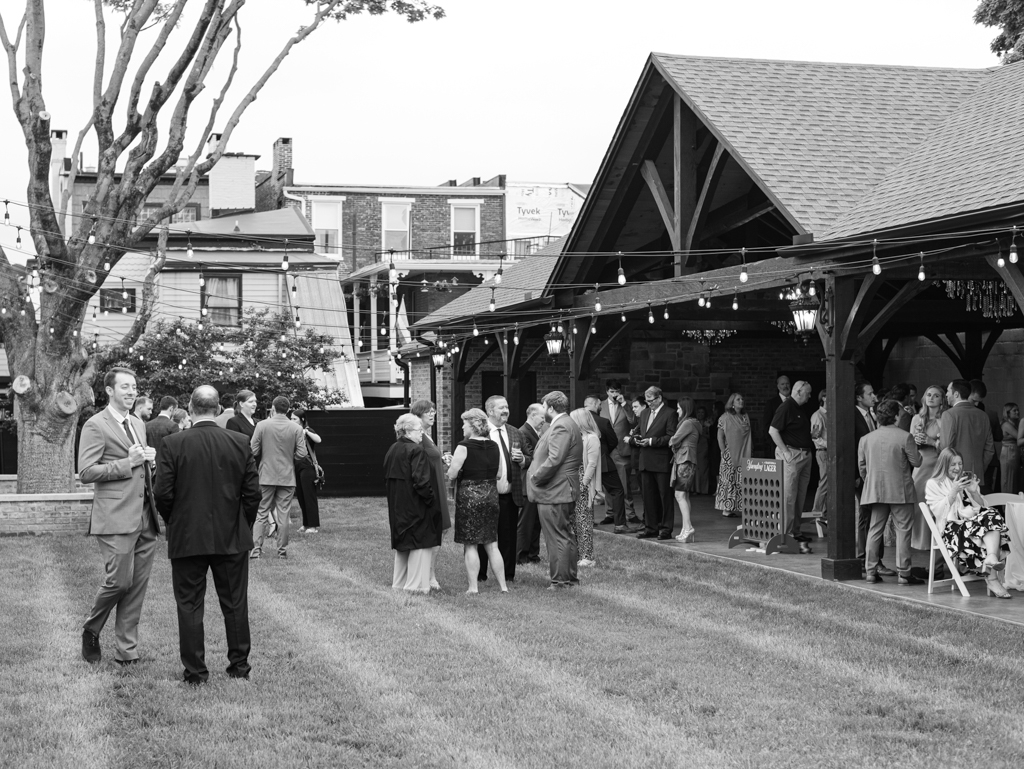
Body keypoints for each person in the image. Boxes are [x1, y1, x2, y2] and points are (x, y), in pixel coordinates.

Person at [155, 385, 261, 684]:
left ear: (190, 407)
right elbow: (252, 493)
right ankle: (239, 667)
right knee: (235, 603)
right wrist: (242, 524)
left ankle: (196, 672)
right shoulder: (239, 441)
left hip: (188, 535)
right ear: (217, 409)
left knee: (189, 604)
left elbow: (162, 492)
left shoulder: (173, 444)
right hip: (230, 535)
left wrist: (174, 520)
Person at [77, 367, 159, 666]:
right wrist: (128, 463)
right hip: (114, 516)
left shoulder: (138, 422)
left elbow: (142, 469)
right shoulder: (95, 425)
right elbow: (86, 472)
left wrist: (150, 463)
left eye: (134, 386)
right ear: (109, 390)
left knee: (137, 586)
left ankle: (127, 651)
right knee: (119, 582)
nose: (131, 391)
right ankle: (92, 628)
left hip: (145, 517)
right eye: (125, 386)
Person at [925, 448, 1011, 598]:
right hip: (951, 531)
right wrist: (953, 491)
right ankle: (992, 578)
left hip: (972, 526)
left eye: (960, 463)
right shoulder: (933, 484)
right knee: (992, 522)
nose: (957, 468)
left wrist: (973, 492)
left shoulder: (965, 482)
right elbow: (939, 512)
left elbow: (983, 509)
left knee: (992, 515)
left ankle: (991, 557)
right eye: (953, 464)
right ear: (944, 465)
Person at [858, 400, 922, 585]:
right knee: (903, 531)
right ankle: (904, 573)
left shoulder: (866, 439)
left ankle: (870, 571)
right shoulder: (905, 437)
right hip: (900, 490)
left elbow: (862, 468)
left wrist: (871, 482)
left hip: (876, 490)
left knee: (874, 529)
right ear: (895, 416)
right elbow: (916, 462)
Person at [447, 408, 507, 594]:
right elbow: (498, 474)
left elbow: (452, 474)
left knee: (471, 543)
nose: (462, 426)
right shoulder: (494, 446)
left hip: (469, 498)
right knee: (492, 543)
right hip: (491, 496)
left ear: (472, 426)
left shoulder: (463, 446)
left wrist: (450, 464)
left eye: (464, 423)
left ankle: (473, 587)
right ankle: (503, 587)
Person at [527, 391, 584, 589]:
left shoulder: (561, 425)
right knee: (564, 535)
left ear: (551, 408)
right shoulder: (565, 423)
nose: (542, 411)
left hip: (555, 491)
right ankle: (569, 579)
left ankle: (560, 581)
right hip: (559, 490)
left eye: (543, 407)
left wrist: (536, 476)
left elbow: (555, 459)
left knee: (556, 537)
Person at [384, 414, 443, 595]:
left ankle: (399, 584)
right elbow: (422, 482)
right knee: (420, 544)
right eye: (419, 430)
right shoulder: (416, 451)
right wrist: (432, 501)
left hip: (398, 505)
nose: (422, 434)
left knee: (403, 545)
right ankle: (416, 586)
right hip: (416, 505)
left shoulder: (393, 449)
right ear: (408, 431)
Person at [249, 396, 308, 560]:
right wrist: (290, 459)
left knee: (261, 513)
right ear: (288, 410)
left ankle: (256, 550)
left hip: (266, 475)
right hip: (287, 475)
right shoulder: (295, 428)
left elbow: (253, 450)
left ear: (273, 408)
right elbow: (302, 453)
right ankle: (281, 552)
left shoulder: (261, 425)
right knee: (283, 514)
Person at [478, 396, 526, 585]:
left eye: (507, 407)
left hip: (509, 495)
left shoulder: (515, 432)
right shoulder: (480, 433)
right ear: (490, 411)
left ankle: (508, 575)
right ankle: (480, 574)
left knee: (508, 536)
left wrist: (522, 459)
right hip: (486, 494)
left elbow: (529, 457)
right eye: (501, 408)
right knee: (483, 535)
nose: (506, 410)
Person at [410, 399, 452, 589]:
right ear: (418, 414)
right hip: (430, 489)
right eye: (429, 411)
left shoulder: (427, 436)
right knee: (433, 531)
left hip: (438, 486)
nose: (433, 414)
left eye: (434, 411)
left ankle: (430, 573)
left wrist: (441, 460)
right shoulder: (417, 437)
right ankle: (429, 576)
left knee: (440, 529)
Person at [768, 380, 815, 547]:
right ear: (799, 391)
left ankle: (795, 531)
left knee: (799, 496)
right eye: (808, 393)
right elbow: (773, 431)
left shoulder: (798, 408)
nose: (810, 396)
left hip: (804, 454)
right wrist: (786, 452)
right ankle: (785, 534)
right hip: (792, 454)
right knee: (788, 497)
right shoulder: (786, 406)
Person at [629, 386, 678, 540]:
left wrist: (651, 441)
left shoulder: (670, 413)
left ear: (659, 398)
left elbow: (671, 436)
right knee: (648, 497)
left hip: (661, 461)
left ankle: (665, 528)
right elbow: (642, 432)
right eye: (647, 401)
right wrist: (637, 438)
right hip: (645, 460)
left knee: (664, 497)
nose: (649, 403)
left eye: (651, 401)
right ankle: (651, 527)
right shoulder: (644, 413)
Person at [909, 385, 947, 551]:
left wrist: (931, 442)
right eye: (928, 394)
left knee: (937, 505)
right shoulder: (917, 418)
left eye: (936, 395)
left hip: (937, 464)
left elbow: (947, 448)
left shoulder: (944, 419)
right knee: (918, 503)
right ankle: (919, 543)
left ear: (942, 400)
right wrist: (916, 441)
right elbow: (909, 444)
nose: (931, 398)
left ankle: (937, 543)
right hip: (921, 464)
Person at [587, 395, 628, 533]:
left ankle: (587, 521)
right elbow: (613, 441)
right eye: (599, 405)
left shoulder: (577, 421)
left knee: (587, 492)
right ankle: (620, 525)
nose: (600, 407)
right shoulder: (603, 422)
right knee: (617, 490)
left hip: (584, 462)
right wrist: (605, 452)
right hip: (603, 461)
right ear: (593, 404)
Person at [941, 379, 995, 483]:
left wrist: (935, 443)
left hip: (955, 475)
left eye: (948, 391)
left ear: (956, 394)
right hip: (977, 475)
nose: (946, 394)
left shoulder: (949, 414)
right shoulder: (983, 415)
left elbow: (946, 447)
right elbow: (990, 449)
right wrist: (979, 468)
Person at [599, 379, 637, 522]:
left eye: (617, 391)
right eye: (612, 391)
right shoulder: (600, 405)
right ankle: (610, 514)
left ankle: (630, 513)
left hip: (622, 448)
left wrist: (625, 405)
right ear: (607, 391)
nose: (614, 394)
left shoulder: (626, 405)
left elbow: (633, 421)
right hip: (606, 449)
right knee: (608, 483)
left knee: (625, 483)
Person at [569, 407, 602, 566]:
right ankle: (577, 554)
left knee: (584, 521)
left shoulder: (592, 438)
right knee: (574, 520)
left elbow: (592, 464)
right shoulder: (578, 437)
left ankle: (587, 557)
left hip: (583, 481)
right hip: (573, 480)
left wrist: (584, 484)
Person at [854, 382, 880, 566]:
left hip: (873, 473)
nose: (874, 397)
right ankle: (864, 556)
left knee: (872, 514)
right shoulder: (853, 416)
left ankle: (873, 557)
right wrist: (856, 474)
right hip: (861, 474)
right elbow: (851, 447)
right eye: (870, 394)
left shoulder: (872, 415)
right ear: (859, 397)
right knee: (865, 514)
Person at [715, 392, 752, 518]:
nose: (741, 401)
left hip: (744, 453)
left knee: (742, 480)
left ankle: (740, 507)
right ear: (732, 403)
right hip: (730, 454)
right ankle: (727, 508)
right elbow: (720, 436)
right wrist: (723, 451)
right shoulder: (725, 417)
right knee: (729, 481)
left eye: (742, 399)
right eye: (738, 399)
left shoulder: (745, 416)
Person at [516, 403, 544, 565]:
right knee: (525, 523)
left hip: (535, 484)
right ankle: (521, 556)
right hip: (526, 484)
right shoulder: (523, 432)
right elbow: (531, 457)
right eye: (541, 416)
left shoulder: (535, 432)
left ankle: (533, 555)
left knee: (535, 523)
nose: (543, 420)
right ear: (532, 415)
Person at [669, 397, 700, 542]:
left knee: (679, 495)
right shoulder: (694, 423)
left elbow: (674, 439)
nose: (677, 411)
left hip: (685, 460)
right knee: (684, 496)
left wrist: (673, 441)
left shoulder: (687, 423)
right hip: (688, 460)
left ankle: (688, 528)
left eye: (679, 408)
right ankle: (685, 528)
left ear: (685, 409)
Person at [290, 408, 322, 534]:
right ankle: (306, 524)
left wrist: (306, 432)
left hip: (308, 467)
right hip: (297, 467)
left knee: (309, 497)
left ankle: (313, 526)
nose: (291, 421)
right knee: (301, 497)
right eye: (291, 418)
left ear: (302, 419)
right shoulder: (293, 431)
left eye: (294, 419)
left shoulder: (307, 431)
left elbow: (319, 440)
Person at [969, 379, 1002, 492]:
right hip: (987, 459)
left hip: (980, 459)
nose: (977, 404)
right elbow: (999, 436)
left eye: (979, 401)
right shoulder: (991, 414)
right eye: (974, 400)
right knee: (985, 490)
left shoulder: (956, 414)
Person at [625, 395, 646, 524]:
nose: (633, 409)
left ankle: (647, 518)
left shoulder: (646, 419)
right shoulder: (640, 420)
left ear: (644, 406)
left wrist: (631, 439)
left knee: (646, 492)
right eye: (632, 407)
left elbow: (644, 437)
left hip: (643, 460)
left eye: (636, 406)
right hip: (637, 460)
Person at [145, 396, 179, 464]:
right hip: (165, 465)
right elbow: (174, 450)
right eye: (175, 410)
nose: (175, 413)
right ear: (171, 408)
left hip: (149, 464)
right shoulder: (173, 426)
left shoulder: (147, 425)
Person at [762, 375, 791, 453]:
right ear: (778, 386)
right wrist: (772, 443)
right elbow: (767, 424)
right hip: (777, 445)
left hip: (793, 445)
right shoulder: (771, 403)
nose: (785, 386)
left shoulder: (795, 402)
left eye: (787, 383)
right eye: (782, 384)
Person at [809, 391, 828, 515]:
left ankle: (825, 511)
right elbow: (815, 437)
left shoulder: (829, 414)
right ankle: (816, 511)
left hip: (828, 452)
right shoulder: (818, 415)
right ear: (824, 398)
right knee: (825, 481)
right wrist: (831, 444)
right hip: (823, 452)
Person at [1000, 403, 1020, 494]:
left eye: (1017, 410)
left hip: (1014, 452)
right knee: (1007, 478)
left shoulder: (1014, 423)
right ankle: (1006, 505)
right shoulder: (1006, 424)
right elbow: (1018, 436)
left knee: (1014, 479)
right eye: (1014, 410)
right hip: (1009, 452)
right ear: (1008, 413)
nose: (1017, 412)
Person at [693, 405, 710, 495]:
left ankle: (703, 489)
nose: (700, 414)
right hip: (695, 446)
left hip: (703, 446)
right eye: (698, 412)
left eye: (702, 412)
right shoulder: (694, 422)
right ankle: (696, 489)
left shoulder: (707, 423)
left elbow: (710, 436)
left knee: (703, 468)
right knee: (695, 468)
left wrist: (703, 432)